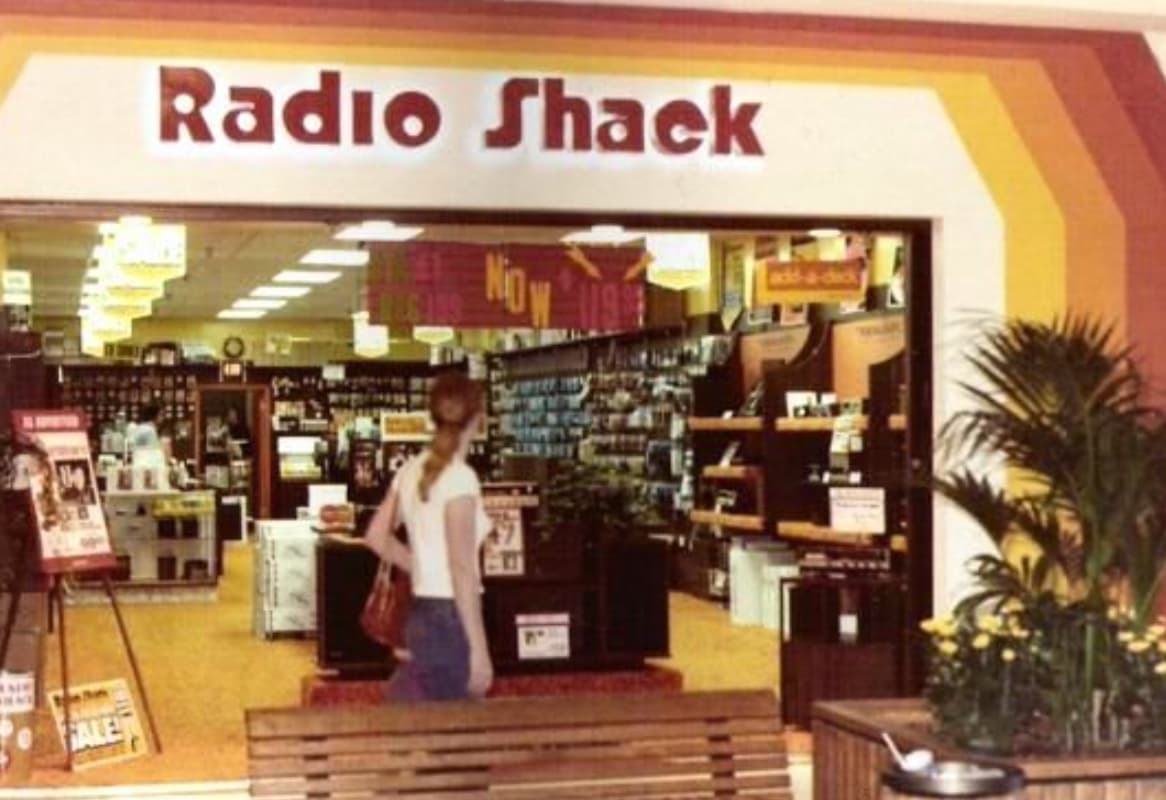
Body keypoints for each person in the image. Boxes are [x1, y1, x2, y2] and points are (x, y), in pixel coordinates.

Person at [363, 372, 493, 702]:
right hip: (452, 620)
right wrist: (479, 651)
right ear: (478, 419)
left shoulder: (411, 469)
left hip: (420, 612)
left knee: (427, 721)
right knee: (455, 732)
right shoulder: (461, 479)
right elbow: (462, 567)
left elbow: (376, 536)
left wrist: (420, 566)